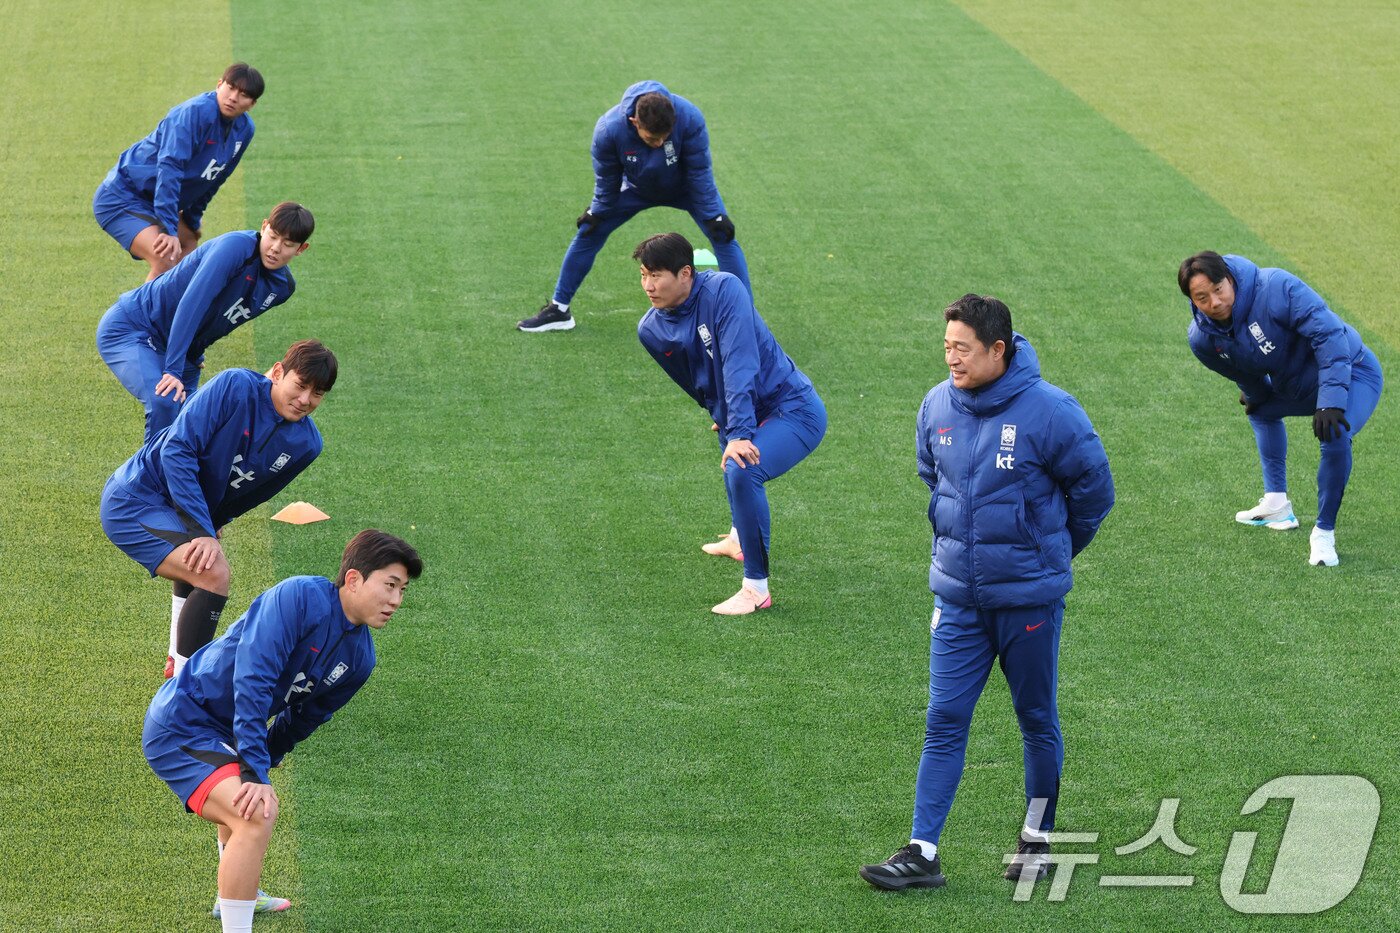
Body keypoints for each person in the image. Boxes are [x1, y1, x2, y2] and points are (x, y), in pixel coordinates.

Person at [860, 295, 1114, 891]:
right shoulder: (935, 405)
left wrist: (1047, 552)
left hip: (1027, 601)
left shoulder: (1051, 411)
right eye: (947, 346)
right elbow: (935, 477)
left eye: (963, 348)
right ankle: (922, 852)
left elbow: (1094, 491)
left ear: (998, 350)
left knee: (1034, 718)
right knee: (943, 718)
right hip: (958, 599)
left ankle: (1037, 841)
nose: (951, 358)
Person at [142, 529, 423, 931]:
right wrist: (252, 771)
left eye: (403, 591)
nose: (395, 601)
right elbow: (253, 678)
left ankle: (237, 893)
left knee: (250, 800)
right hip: (183, 721)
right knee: (257, 814)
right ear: (355, 578)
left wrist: (259, 763)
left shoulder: (360, 659)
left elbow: (300, 722)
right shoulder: (299, 598)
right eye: (390, 585)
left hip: (225, 733)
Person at [100, 339, 336, 678]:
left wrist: (213, 521)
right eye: (300, 386)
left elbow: (251, 494)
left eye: (317, 394)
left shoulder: (307, 445)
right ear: (279, 373)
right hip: (136, 498)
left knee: (203, 556)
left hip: (176, 509)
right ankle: (184, 691)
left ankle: (175, 662)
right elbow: (177, 450)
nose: (305, 401)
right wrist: (201, 526)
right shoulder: (235, 386)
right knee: (214, 572)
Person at [633, 233, 824, 614]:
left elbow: (740, 363)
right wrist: (724, 419)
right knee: (732, 454)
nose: (649, 286)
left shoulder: (725, 290)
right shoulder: (650, 330)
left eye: (657, 275)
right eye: (643, 275)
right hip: (743, 411)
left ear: (685, 273)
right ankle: (740, 539)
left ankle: (756, 589)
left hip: (793, 408)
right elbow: (693, 381)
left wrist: (739, 430)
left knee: (741, 468)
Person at [1179, 252, 1384, 567]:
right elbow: (1244, 375)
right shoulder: (1203, 340)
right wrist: (1256, 395)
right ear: (1192, 301)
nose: (1215, 302)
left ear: (1229, 278)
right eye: (1202, 297)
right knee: (1260, 411)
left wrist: (1330, 401)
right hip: (1302, 387)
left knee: (1335, 434)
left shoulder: (1276, 287)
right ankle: (1277, 504)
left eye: (1218, 289)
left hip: (1354, 373)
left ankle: (1324, 533)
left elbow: (1329, 336)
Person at [518, 81, 751, 333]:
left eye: (666, 136)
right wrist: (597, 210)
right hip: (635, 189)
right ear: (634, 121)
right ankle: (559, 310)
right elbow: (607, 180)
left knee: (723, 234)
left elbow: (699, 170)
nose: (661, 143)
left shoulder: (689, 116)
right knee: (589, 231)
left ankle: (744, 318)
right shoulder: (608, 131)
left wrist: (713, 215)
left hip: (685, 189)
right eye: (653, 138)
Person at [97, 202, 314, 442]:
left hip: (183, 348)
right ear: (264, 227)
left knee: (197, 426)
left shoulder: (282, 288)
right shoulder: (235, 248)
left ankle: (170, 476)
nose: (275, 248)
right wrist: (173, 369)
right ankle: (150, 477)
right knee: (166, 401)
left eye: (288, 244)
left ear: (301, 249)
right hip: (133, 327)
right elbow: (192, 304)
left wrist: (195, 351)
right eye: (273, 237)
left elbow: (223, 319)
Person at [94, 63, 262, 281]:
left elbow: (215, 178)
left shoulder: (245, 130)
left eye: (243, 95)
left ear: (252, 104)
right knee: (166, 258)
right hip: (122, 197)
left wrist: (192, 219)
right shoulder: (191, 114)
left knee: (189, 245)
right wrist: (168, 228)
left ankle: (174, 313)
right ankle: (137, 315)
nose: (233, 97)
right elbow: (169, 169)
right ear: (219, 84)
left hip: (156, 200)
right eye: (230, 88)